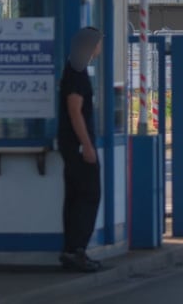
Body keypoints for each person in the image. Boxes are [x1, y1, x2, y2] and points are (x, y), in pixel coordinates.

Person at [57, 27, 104, 272]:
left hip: (71, 146)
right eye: (98, 42)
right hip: (77, 147)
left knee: (75, 199)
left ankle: (71, 251)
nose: (100, 47)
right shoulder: (77, 73)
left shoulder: (74, 69)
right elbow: (74, 110)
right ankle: (77, 250)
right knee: (88, 196)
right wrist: (86, 145)